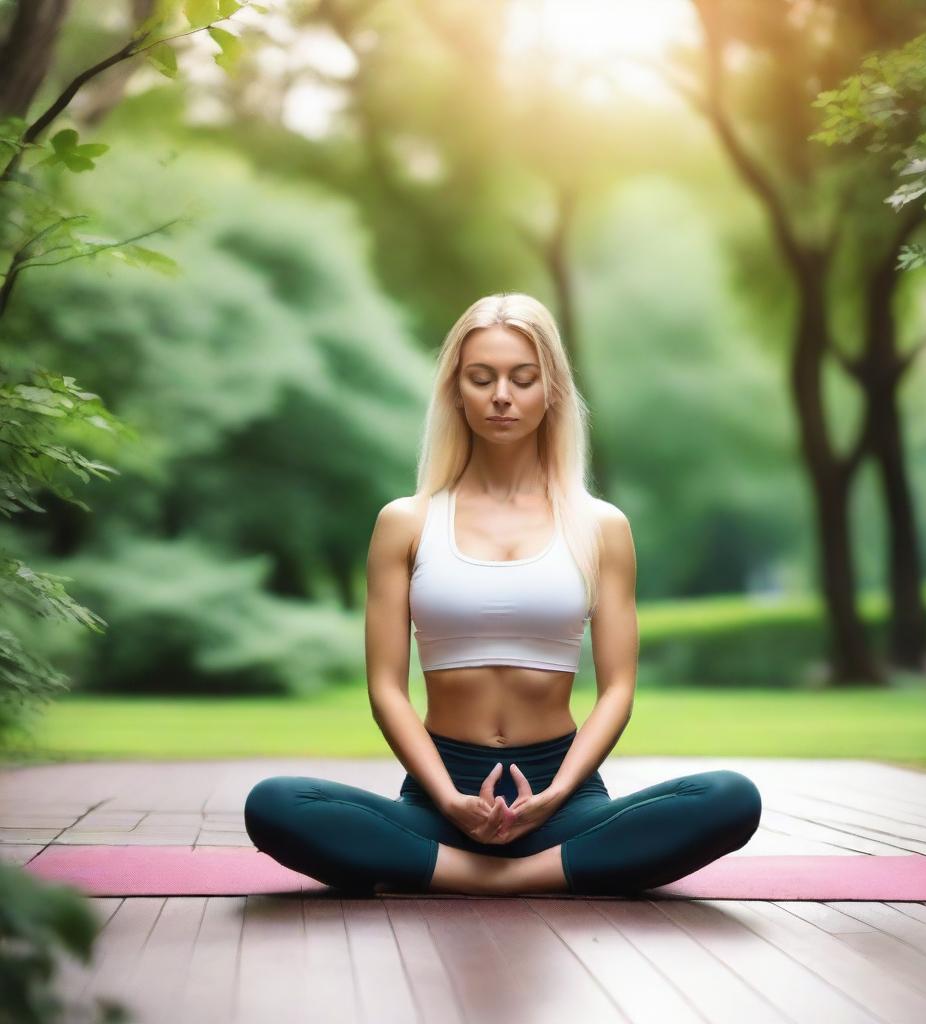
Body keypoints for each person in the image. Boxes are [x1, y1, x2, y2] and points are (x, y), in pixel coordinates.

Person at [243, 292, 761, 897]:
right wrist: (447, 797)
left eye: (522, 378)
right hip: (440, 798)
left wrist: (559, 792)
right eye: (481, 378)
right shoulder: (406, 523)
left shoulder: (601, 528)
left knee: (730, 798)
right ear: (456, 392)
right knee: (275, 804)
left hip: (562, 798)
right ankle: (518, 874)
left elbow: (618, 687)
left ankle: (484, 875)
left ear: (552, 390)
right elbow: (386, 686)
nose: (501, 397)